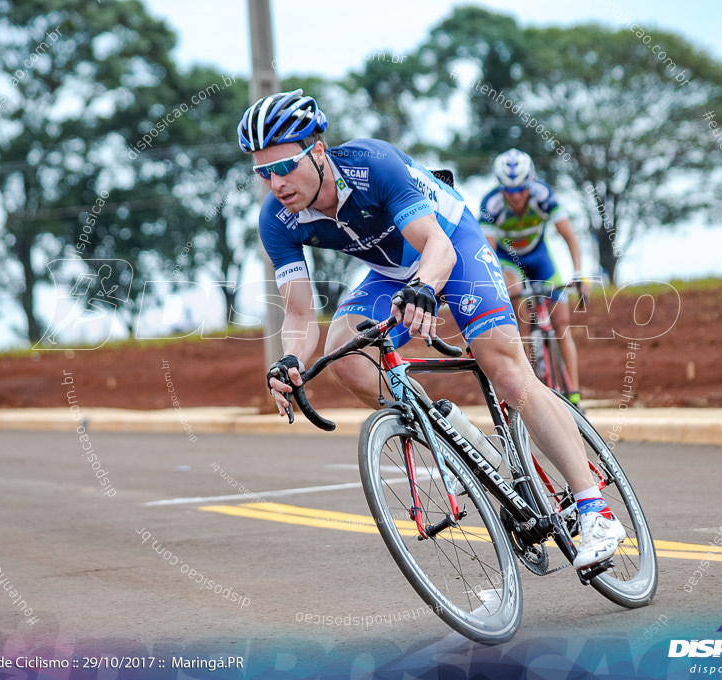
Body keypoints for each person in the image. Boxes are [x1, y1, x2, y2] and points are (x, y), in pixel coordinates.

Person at [238, 89, 623, 570]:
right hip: (391, 272)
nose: (275, 182)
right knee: (346, 355)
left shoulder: (372, 165)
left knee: (503, 368)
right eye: (262, 172)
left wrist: (424, 288)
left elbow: (437, 247)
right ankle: (461, 442)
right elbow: (298, 313)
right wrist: (290, 359)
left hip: (451, 242)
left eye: (285, 166)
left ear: (317, 151)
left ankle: (595, 510)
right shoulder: (278, 219)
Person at [479, 149, 588, 407]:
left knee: (562, 324)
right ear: (500, 187)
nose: (516, 196)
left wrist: (578, 273)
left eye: (521, 189)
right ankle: (530, 382)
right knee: (518, 308)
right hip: (508, 260)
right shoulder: (491, 204)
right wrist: (496, 289)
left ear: (531, 185)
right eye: (509, 190)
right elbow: (488, 252)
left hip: (540, 258)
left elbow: (570, 237)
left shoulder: (543, 195)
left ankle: (574, 394)